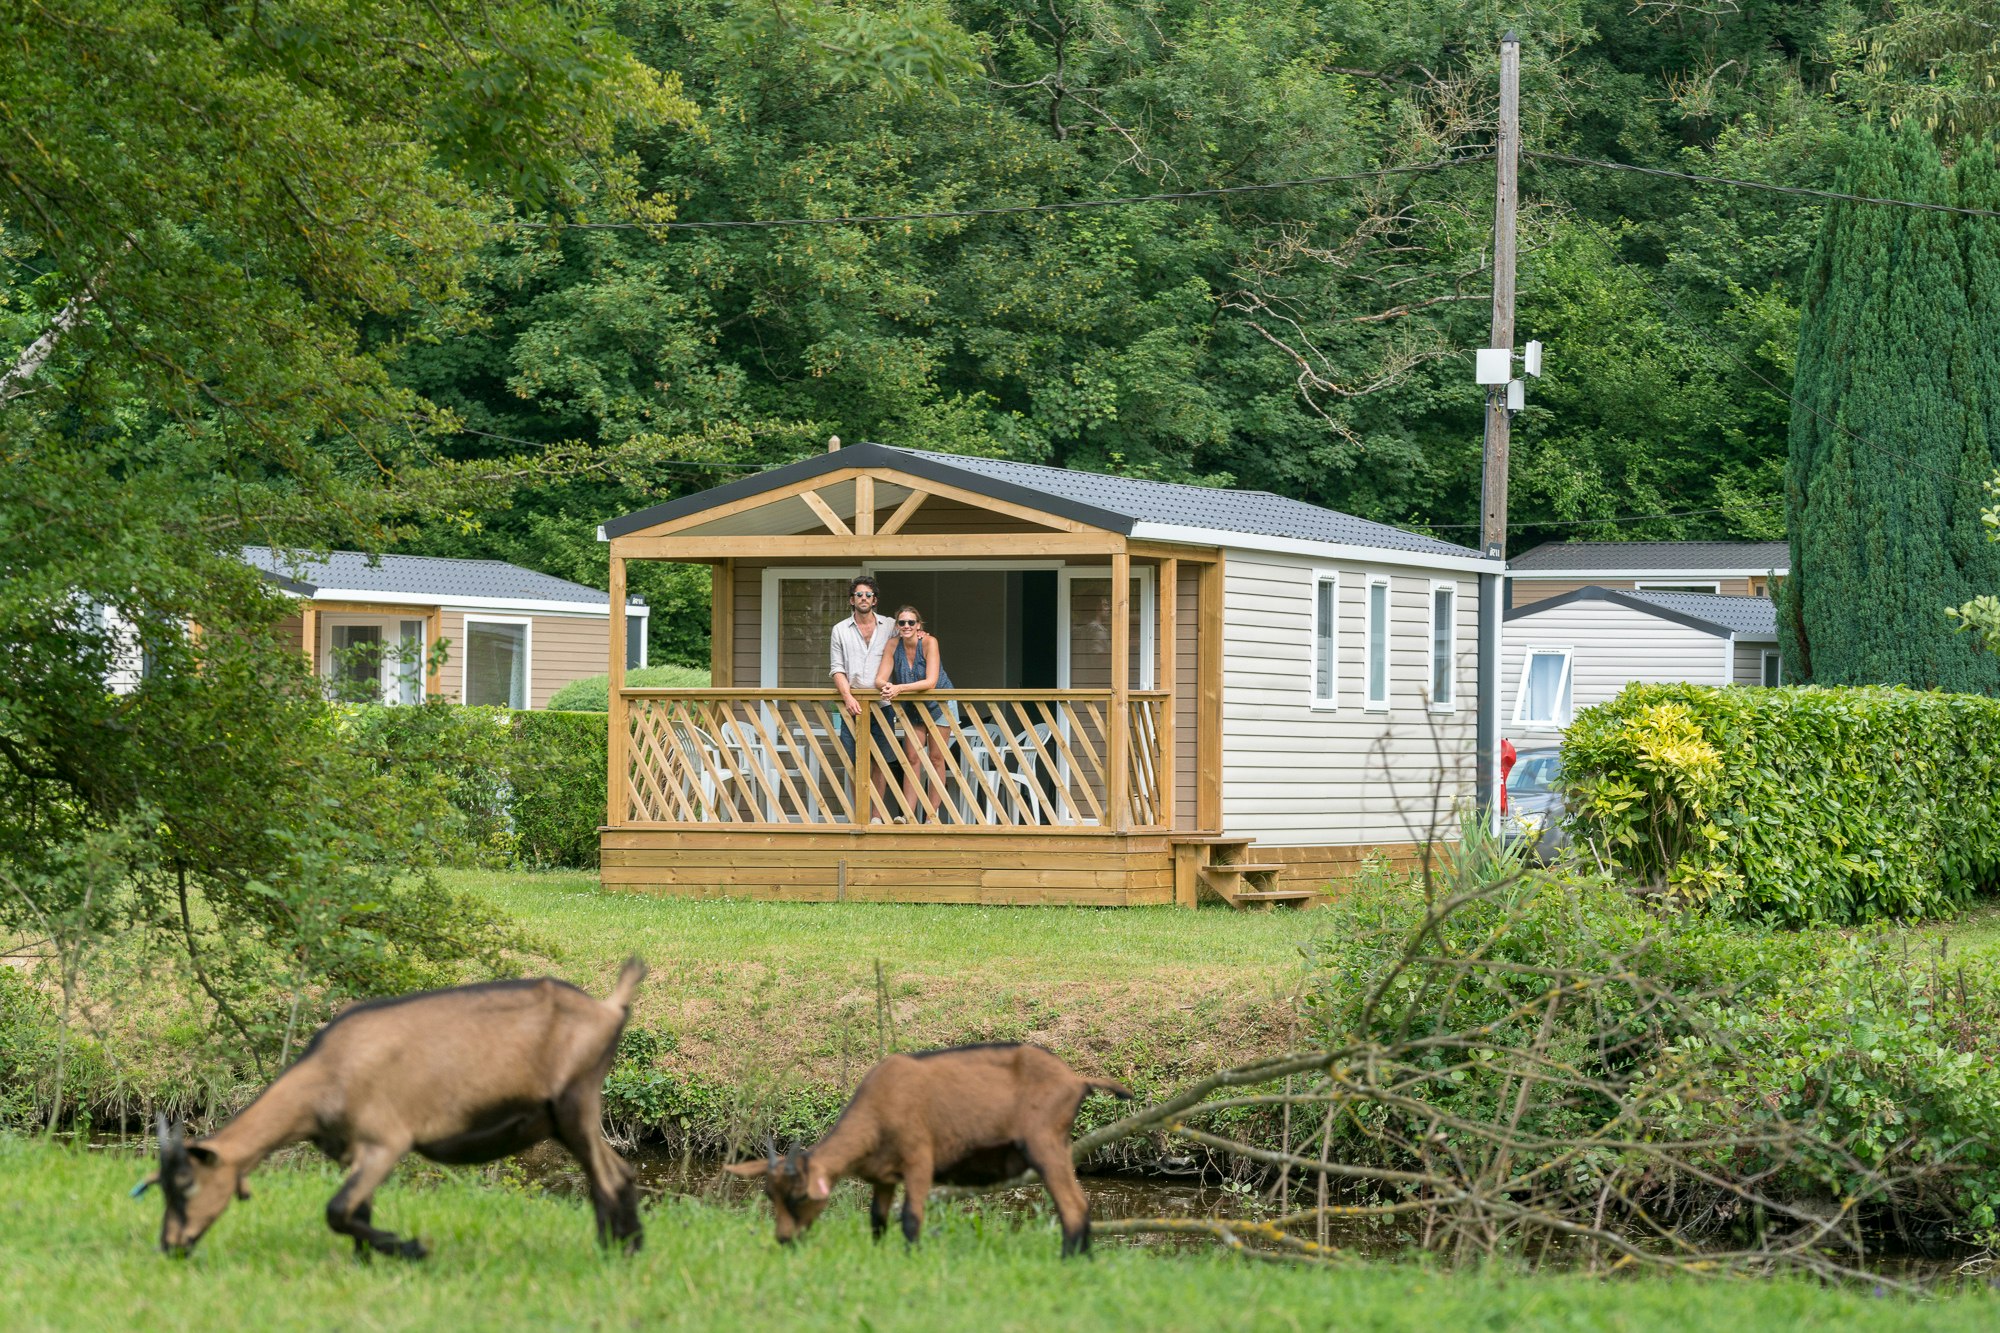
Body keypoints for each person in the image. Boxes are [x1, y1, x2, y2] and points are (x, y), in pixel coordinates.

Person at [875, 604, 955, 823]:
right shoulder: (893, 645)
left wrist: (898, 688)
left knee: (936, 759)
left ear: (919, 625)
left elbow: (930, 681)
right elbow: (880, 678)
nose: (907, 626)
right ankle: (908, 815)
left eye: (911, 622)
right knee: (911, 758)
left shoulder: (929, 642)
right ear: (897, 626)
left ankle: (931, 816)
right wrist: (888, 685)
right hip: (912, 706)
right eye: (902, 622)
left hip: (940, 704)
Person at [830, 573, 894, 821]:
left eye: (868, 594)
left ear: (875, 600)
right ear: (852, 600)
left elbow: (913, 634)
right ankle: (861, 815)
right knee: (855, 763)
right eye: (859, 594)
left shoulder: (889, 625)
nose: (864, 598)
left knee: (880, 761)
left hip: (883, 705)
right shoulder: (840, 630)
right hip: (853, 705)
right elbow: (837, 668)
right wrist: (847, 697)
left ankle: (876, 816)